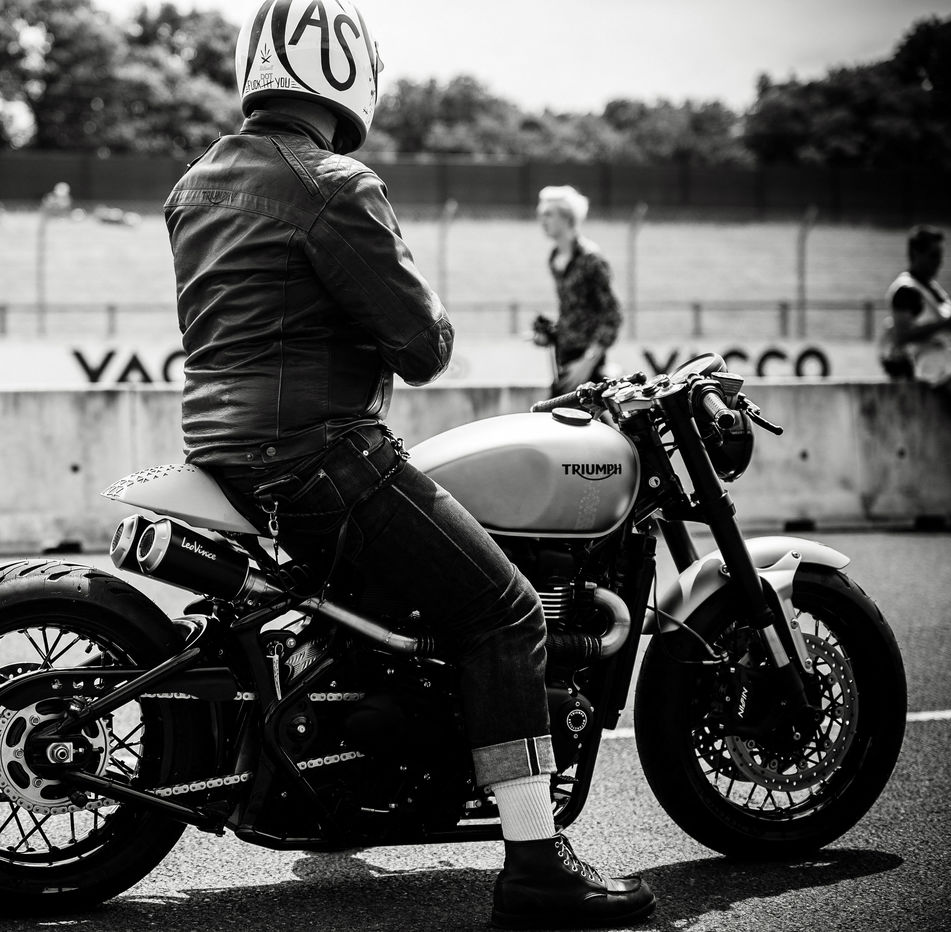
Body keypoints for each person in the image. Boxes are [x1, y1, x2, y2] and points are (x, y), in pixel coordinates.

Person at [163, 3, 654, 928]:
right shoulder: (334, 184)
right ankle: (536, 864)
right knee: (507, 612)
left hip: (222, 451)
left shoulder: (196, 185)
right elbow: (422, 346)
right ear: (346, 67)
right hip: (321, 453)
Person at [531, 186, 623, 396]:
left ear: (567, 218)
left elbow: (613, 316)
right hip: (565, 359)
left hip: (587, 367)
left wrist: (587, 362)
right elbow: (577, 312)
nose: (542, 220)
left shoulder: (591, 260)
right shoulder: (555, 257)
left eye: (548, 214)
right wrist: (551, 333)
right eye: (541, 214)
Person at [880, 226, 951, 408]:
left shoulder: (933, 287)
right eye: (934, 255)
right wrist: (946, 323)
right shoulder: (906, 290)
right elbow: (902, 336)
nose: (939, 261)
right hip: (931, 363)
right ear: (916, 253)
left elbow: (944, 325)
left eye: (940, 255)